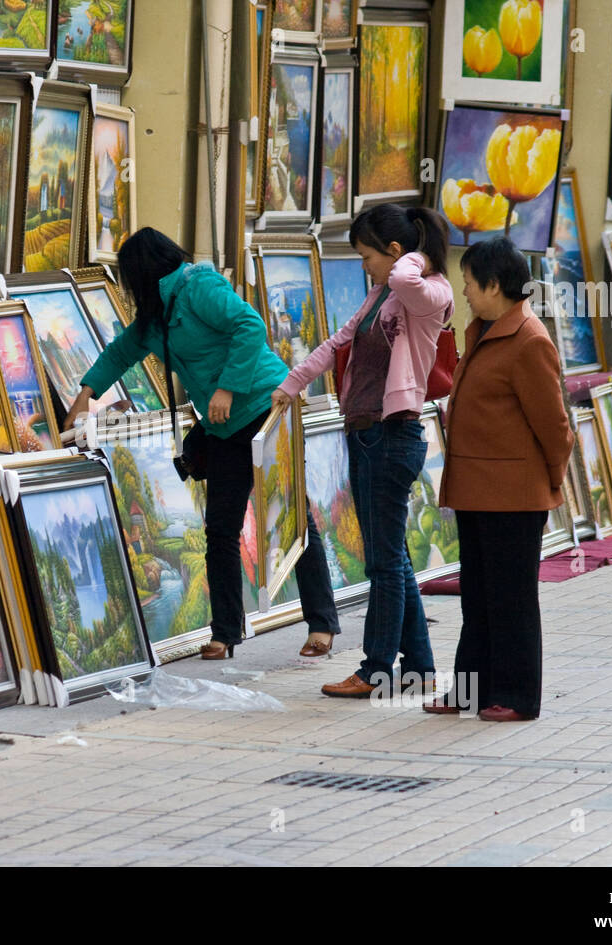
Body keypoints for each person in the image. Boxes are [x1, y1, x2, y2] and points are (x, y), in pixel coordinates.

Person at [64, 227, 341, 660]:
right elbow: (119, 354)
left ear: (142, 275)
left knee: (291, 519)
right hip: (224, 428)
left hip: (265, 407)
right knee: (220, 530)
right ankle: (225, 632)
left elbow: (250, 326)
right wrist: (84, 395)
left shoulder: (200, 287)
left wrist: (227, 388)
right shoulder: (154, 318)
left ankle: (322, 623)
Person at [272, 204, 451, 697]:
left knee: (384, 562)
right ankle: (418, 667)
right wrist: (292, 384)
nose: (364, 267)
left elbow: (409, 280)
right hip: (366, 433)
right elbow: (336, 343)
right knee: (392, 558)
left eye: (367, 256)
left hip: (393, 435)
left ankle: (375, 670)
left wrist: (409, 258)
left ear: (395, 252)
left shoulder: (428, 293)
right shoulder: (379, 295)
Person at [423, 237, 573, 721]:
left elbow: (555, 426)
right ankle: (470, 690)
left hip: (515, 497)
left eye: (468, 281)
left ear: (494, 284)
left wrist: (549, 484)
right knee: (479, 598)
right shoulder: (485, 330)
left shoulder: (528, 339)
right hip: (477, 491)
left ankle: (516, 695)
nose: (464, 290)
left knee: (512, 601)